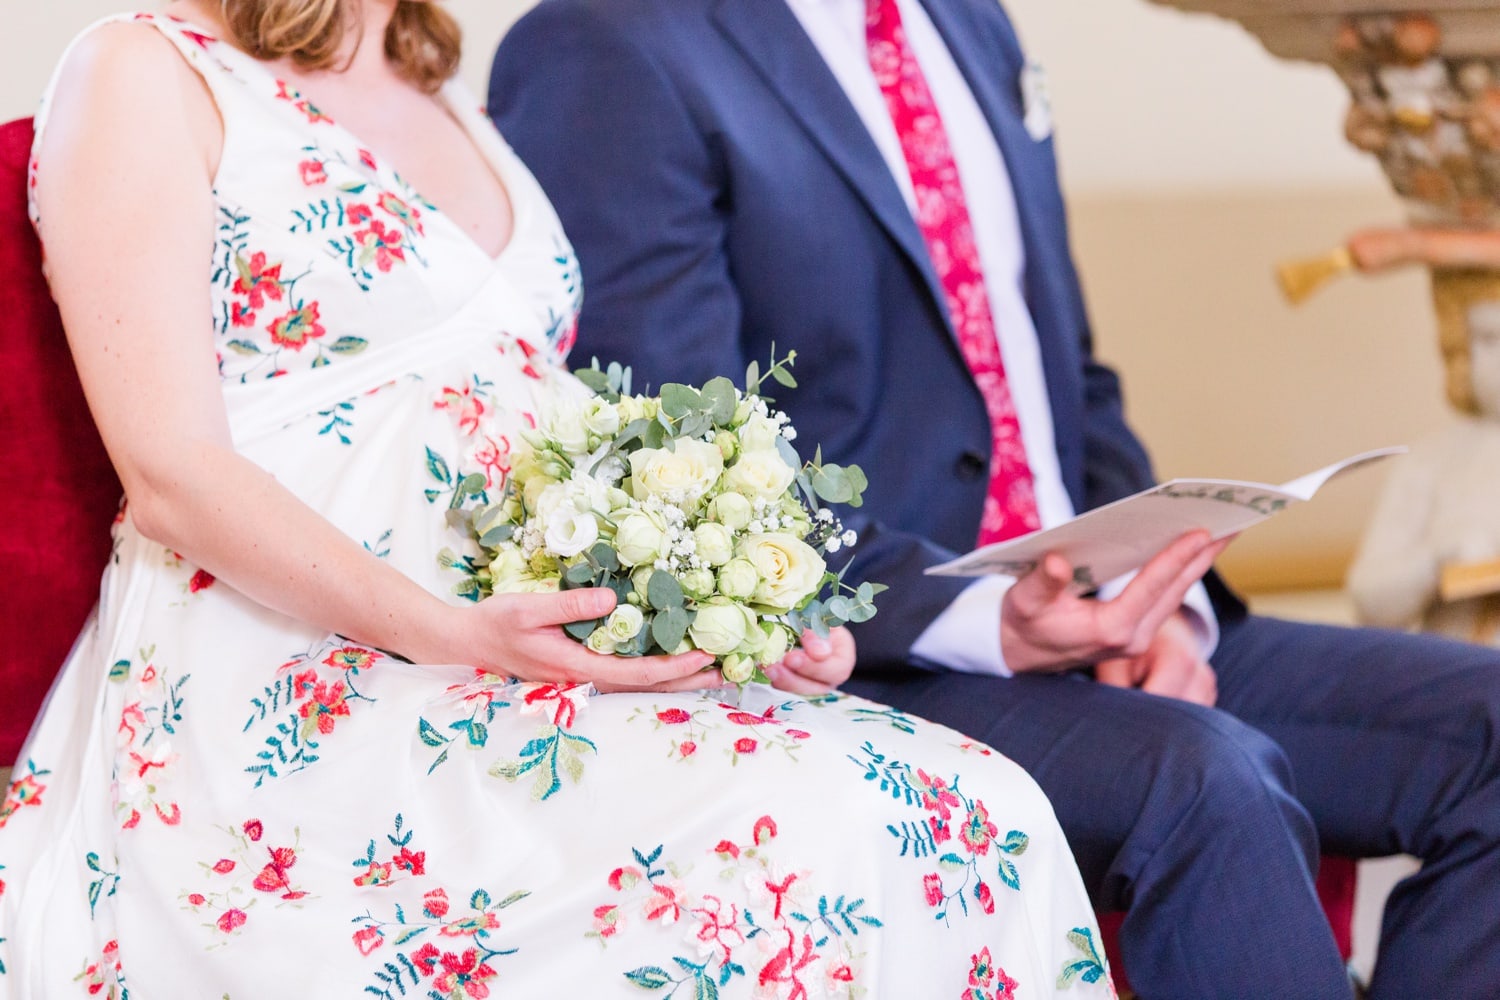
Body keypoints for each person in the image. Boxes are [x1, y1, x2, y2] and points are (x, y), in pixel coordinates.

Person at [0, 2, 1120, 996]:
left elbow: (560, 429)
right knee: (813, 822)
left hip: (523, 644)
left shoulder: (437, 84)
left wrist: (739, 617)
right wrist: (449, 631)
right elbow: (171, 476)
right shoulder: (145, 72)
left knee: (982, 800)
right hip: (305, 667)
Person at [486, 1, 1500, 996]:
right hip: (862, 660)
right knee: (1202, 781)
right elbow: (669, 471)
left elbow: (1068, 381)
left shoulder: (970, 20)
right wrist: (987, 622)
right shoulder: (606, 43)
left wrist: (1150, 599)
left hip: (1094, 614)